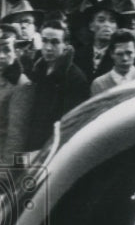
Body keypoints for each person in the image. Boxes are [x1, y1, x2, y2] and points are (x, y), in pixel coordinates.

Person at [22, 20, 90, 151]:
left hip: (53, 149)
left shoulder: (75, 78)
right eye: (45, 41)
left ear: (66, 45)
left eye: (55, 42)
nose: (48, 47)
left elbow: (71, 124)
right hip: (30, 144)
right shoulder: (37, 71)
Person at [0, 29, 32, 165]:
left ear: (17, 52)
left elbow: (16, 135)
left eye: (6, 50)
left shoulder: (21, 84)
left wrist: (4, 176)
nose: (0, 55)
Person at [90, 30, 135, 95]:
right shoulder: (99, 84)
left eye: (129, 53)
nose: (125, 58)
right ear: (112, 54)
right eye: (120, 54)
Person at [73, 0, 120, 82]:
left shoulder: (120, 55)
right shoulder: (78, 54)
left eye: (112, 21)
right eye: (101, 20)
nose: (107, 25)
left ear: (116, 27)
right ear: (91, 26)